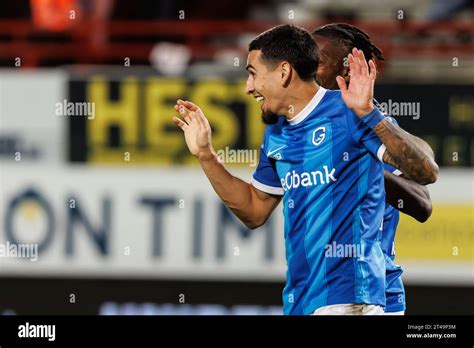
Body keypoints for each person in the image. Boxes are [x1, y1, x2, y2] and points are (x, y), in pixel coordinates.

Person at [173, 24, 438, 315]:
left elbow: (426, 177)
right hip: (302, 298)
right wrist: (206, 155)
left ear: (284, 71)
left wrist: (363, 163)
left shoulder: (354, 113)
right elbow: (254, 210)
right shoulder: (277, 133)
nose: (248, 87)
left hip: (357, 292)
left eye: (252, 74)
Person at [312, 23, 435, 315]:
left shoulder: (379, 128)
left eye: (316, 62)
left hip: (375, 292)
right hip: (319, 289)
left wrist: (364, 171)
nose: (306, 69)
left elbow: (423, 205)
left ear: (346, 71)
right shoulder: (303, 127)